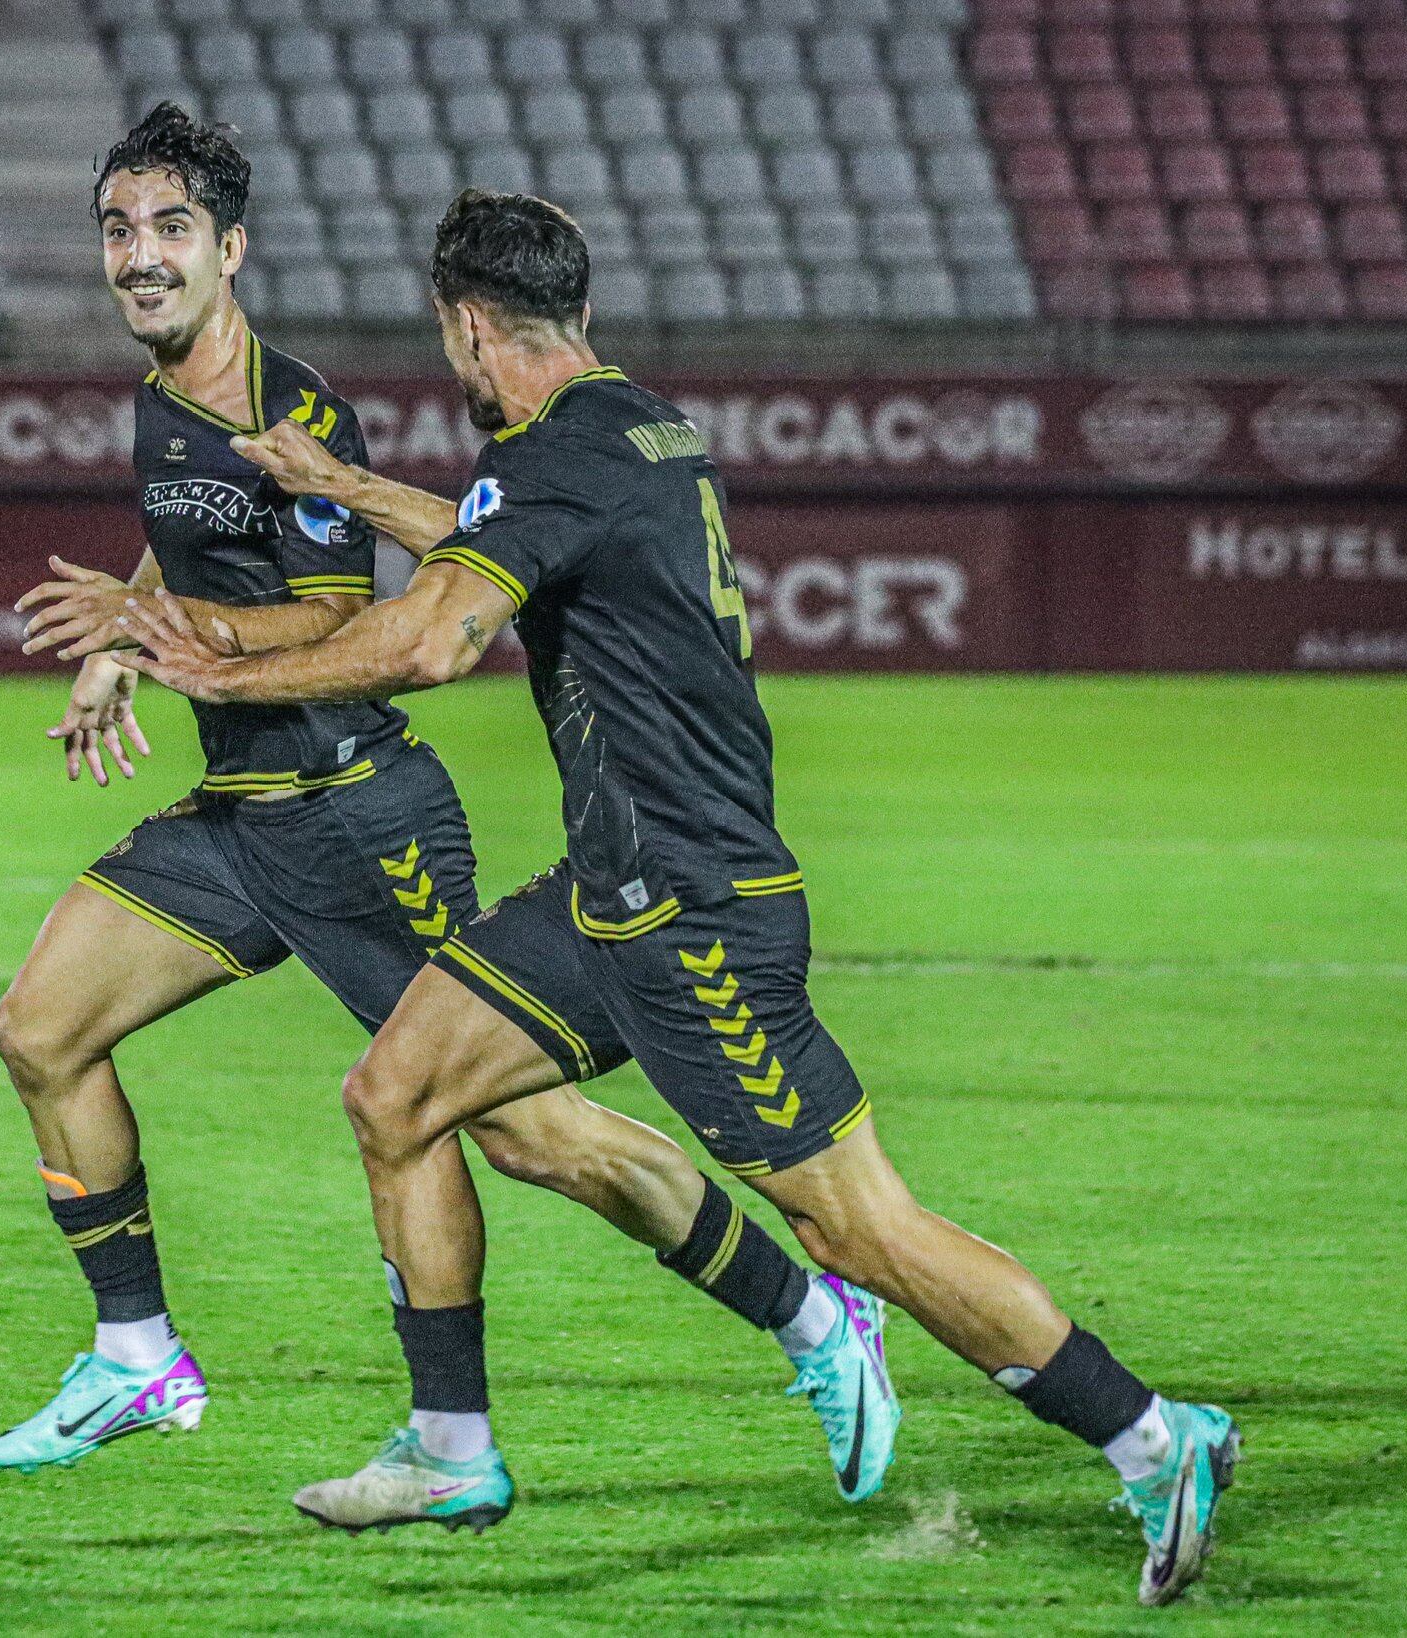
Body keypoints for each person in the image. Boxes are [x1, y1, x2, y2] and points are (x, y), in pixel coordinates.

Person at [116, 189, 1240, 1605]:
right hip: (609, 893)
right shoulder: (629, 422)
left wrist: (221, 674)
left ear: (468, 325)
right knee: (396, 1093)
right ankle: (451, 1444)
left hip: (693, 910)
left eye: (446, 338)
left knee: (859, 1229)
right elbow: (499, 536)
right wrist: (357, 496)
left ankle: (1151, 1436)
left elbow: (432, 639)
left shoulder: (555, 457)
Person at [0, 108, 888, 1506]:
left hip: (357, 816)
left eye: (170, 231)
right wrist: (124, 637)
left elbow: (342, 606)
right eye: (119, 230)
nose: (140, 257)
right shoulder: (168, 396)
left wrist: (166, 637)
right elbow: (190, 542)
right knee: (39, 1030)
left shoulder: (297, 408)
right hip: (241, 809)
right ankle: (137, 1348)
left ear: (232, 250)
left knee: (517, 1127)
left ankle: (812, 1313)